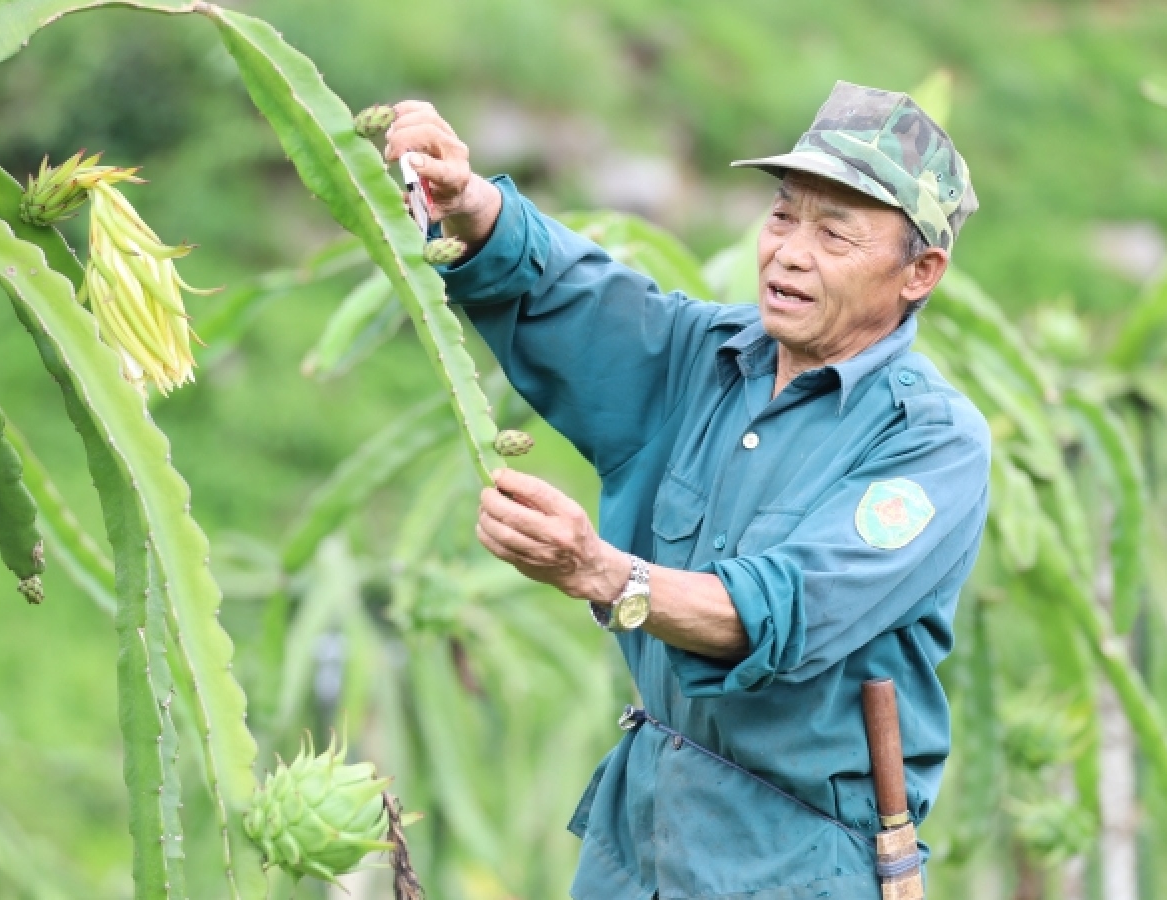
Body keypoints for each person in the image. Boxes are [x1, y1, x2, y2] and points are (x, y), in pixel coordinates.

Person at [379, 81, 991, 900]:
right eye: (782, 217)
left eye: (835, 235)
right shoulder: (703, 357)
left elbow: (783, 612)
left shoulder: (929, 444)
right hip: (642, 837)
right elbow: (571, 295)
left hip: (796, 864)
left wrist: (604, 573)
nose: (790, 252)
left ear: (920, 271)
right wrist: (470, 201)